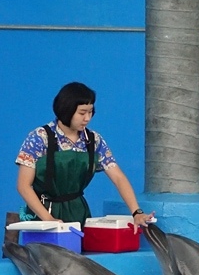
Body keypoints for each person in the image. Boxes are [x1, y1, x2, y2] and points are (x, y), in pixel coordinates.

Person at [15, 81, 151, 227]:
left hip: (78, 212)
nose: (87, 118)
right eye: (82, 113)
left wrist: (136, 212)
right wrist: (48, 220)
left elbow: (118, 177)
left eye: (90, 112)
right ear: (66, 109)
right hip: (43, 213)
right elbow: (24, 186)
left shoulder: (93, 140)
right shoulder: (40, 137)